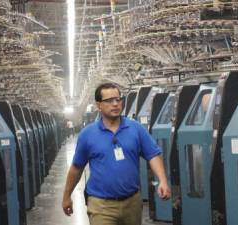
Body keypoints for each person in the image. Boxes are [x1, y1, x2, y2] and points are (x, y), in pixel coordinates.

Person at [62, 83, 171, 225]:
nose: (115, 104)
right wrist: (66, 196)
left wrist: (162, 180)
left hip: (132, 202)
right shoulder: (88, 134)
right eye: (109, 101)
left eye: (118, 100)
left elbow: (153, 154)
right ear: (98, 105)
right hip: (101, 205)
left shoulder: (135, 128)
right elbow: (76, 168)